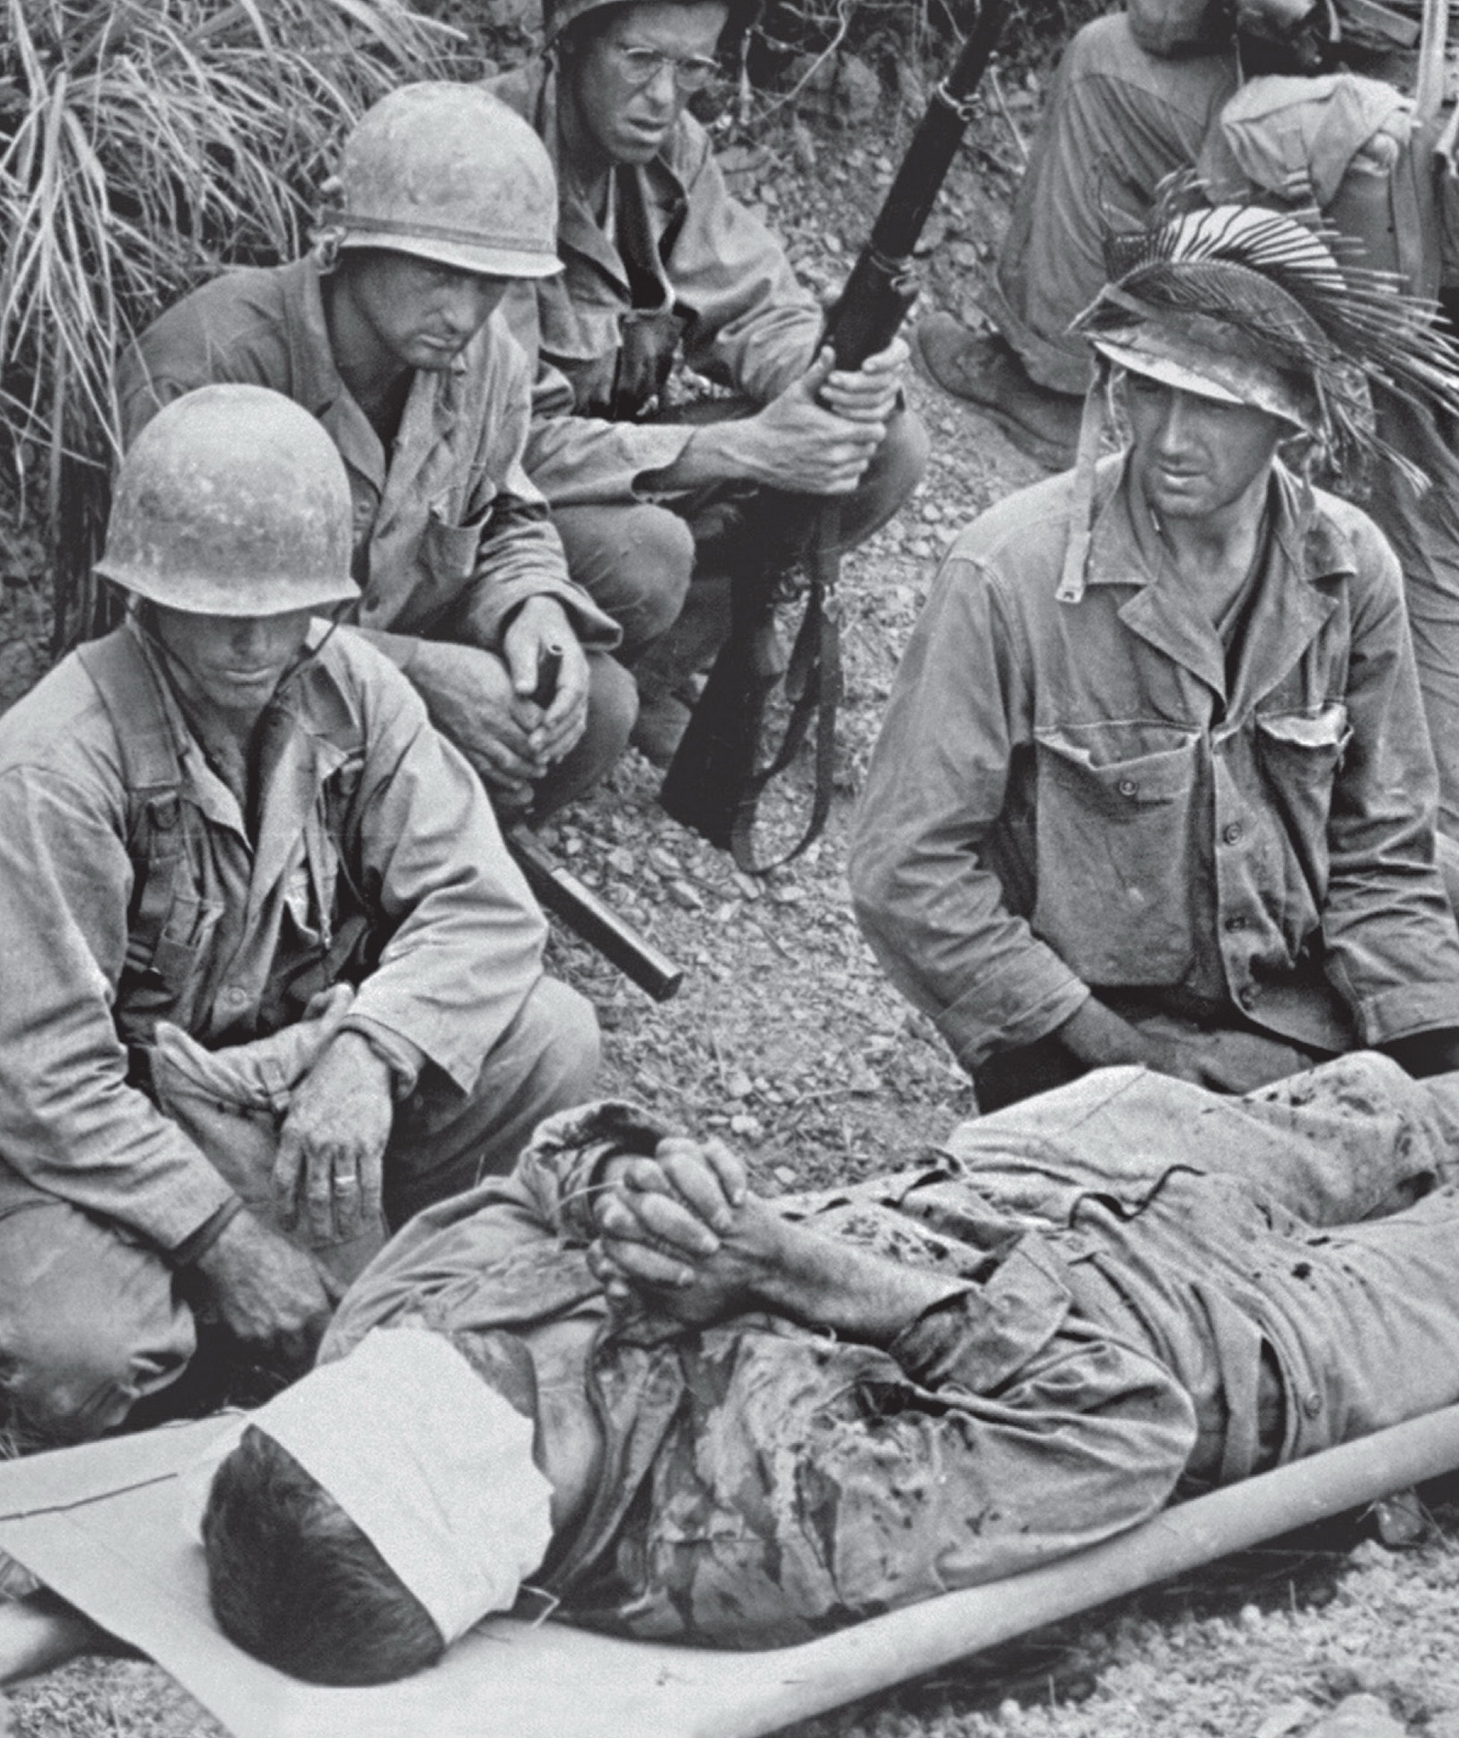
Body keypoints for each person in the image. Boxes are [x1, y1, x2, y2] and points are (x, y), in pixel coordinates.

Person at [199, 1049, 1459, 1683]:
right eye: (532, 1405)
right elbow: (1124, 1422)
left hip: (1046, 1169)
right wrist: (791, 1270)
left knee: (1401, 1096)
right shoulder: (767, 1532)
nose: (545, 1346)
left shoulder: (398, 1330)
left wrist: (640, 1181)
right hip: (1255, 1333)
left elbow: (551, 1160)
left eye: (476, 1354)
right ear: (529, 1539)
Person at [913, 0, 1459, 826]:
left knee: (1105, 66)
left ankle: (1048, 378)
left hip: (1382, 172)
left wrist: (1273, 23)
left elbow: (1159, 10)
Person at [0, 386, 599, 1446]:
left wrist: (369, 1051)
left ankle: (386, 1301)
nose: (256, 642)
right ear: (146, 597)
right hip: (107, 1137)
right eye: (220, 614)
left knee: (549, 1034)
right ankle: (191, 1376)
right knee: (76, 1350)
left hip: (283, 1090)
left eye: (285, 608)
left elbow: (485, 907)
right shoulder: (54, 766)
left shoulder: (351, 688)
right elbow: (48, 1085)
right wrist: (226, 1239)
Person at [851, 201, 1459, 1110]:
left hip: (1295, 1018)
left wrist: (1427, 1060)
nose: (1169, 439)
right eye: (1148, 389)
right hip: (1080, 1030)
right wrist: (1117, 1048)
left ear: (1286, 420)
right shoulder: (1005, 572)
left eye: (1213, 403)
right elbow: (906, 867)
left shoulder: (1349, 565)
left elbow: (1383, 854)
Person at [487, 0, 929, 761]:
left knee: (882, 442)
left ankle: (650, 674)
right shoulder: (492, 164)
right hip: (505, 520)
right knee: (650, 553)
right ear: (568, 41)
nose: (665, 97)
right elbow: (506, 450)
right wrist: (744, 448)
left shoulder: (666, 151)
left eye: (692, 68)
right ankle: (544, 697)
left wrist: (826, 375)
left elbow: (756, 301)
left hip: (619, 474)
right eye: (640, 59)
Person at [119, 83, 634, 821]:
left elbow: (507, 516)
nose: (462, 312)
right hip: (224, 708)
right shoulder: (212, 365)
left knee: (592, 698)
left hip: (363, 684)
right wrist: (418, 679)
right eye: (435, 271)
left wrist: (534, 607)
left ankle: (403, 879)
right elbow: (175, 636)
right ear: (346, 236)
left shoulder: (487, 360)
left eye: (489, 283)